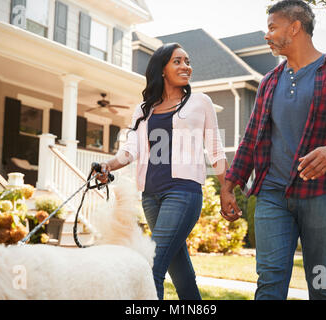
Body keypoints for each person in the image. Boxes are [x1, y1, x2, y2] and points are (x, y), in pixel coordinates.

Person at [220, 0, 326, 300]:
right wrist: (229, 184)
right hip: (272, 195)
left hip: (321, 194)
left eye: (272, 27)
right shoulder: (269, 82)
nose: (267, 35)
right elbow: (251, 138)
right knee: (269, 283)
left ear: (295, 27)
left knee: (321, 284)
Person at [96, 43, 229, 300]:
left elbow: (215, 149)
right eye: (177, 61)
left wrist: (226, 189)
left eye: (187, 61)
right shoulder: (143, 109)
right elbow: (129, 150)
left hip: (183, 192)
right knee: (179, 271)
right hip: (151, 196)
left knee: (151, 267)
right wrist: (107, 166)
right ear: (162, 69)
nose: (186, 66)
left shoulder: (200, 102)